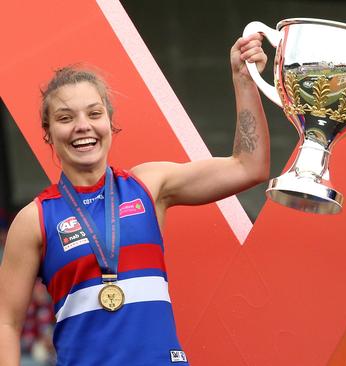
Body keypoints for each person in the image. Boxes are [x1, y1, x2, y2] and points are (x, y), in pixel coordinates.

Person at [0, 34, 270, 365]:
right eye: (66, 117)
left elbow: (249, 167)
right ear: (49, 132)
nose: (83, 126)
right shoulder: (35, 219)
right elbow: (6, 323)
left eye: (94, 113)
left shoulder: (149, 185)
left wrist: (244, 80)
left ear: (110, 122)